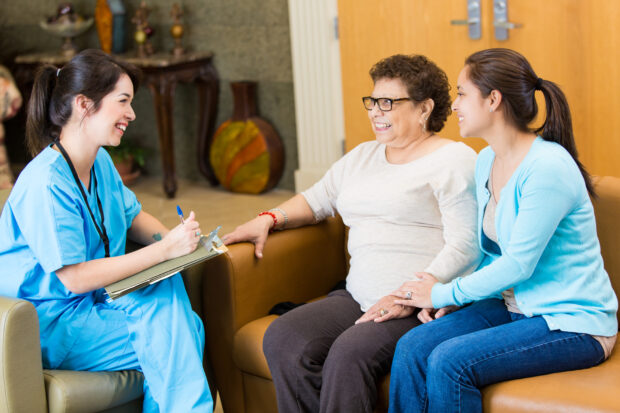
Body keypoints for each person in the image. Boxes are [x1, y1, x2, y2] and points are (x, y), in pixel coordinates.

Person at [222, 54, 482, 413]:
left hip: (417, 307)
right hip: (358, 295)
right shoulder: (362, 156)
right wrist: (270, 217)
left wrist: (407, 296)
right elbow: (316, 200)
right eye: (372, 101)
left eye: (388, 103)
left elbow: (466, 244)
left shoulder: (454, 160)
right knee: (285, 338)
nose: (375, 112)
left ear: (424, 108)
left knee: (350, 352)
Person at [388, 48, 618, 413]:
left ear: (493, 99)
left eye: (463, 93)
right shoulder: (486, 161)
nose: (456, 104)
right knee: (413, 347)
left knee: (450, 361)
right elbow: (492, 253)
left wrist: (445, 292)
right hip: (513, 307)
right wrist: (458, 298)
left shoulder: (546, 168)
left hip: (572, 322)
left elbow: (518, 265)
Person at [0, 49, 213, 412]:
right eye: (123, 101)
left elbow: (131, 216)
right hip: (51, 322)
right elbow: (74, 279)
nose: (131, 114)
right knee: (179, 333)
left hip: (98, 302)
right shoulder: (46, 182)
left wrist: (178, 240)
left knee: (172, 300)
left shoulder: (99, 160)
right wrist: (163, 251)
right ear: (84, 104)